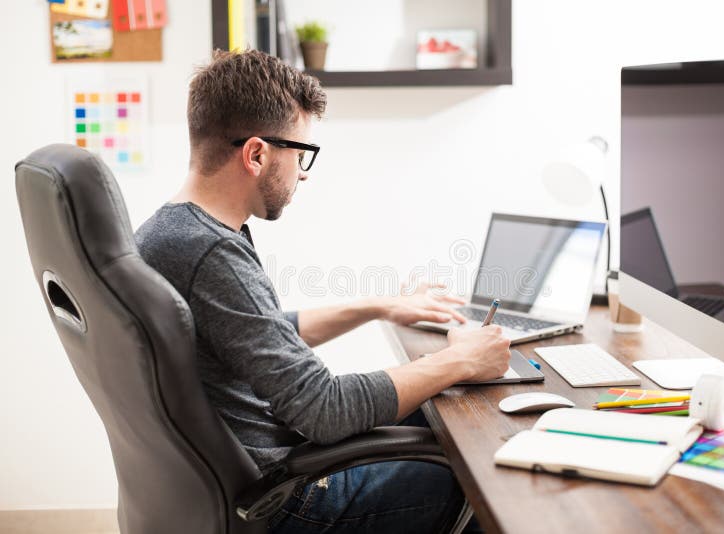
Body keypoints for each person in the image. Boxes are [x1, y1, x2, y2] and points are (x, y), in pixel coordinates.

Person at [134, 49, 510, 533]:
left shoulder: (171, 231)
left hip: (260, 469)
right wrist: (460, 359)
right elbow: (323, 410)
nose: (304, 172)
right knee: (483, 472)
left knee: (444, 411)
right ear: (256, 154)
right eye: (300, 153)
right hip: (287, 500)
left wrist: (378, 305)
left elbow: (256, 334)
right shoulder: (210, 254)